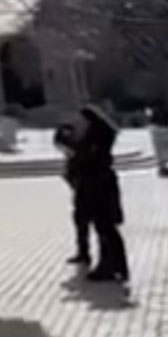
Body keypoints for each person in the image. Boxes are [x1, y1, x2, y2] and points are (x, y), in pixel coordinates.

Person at [74, 105, 130, 283]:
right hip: (99, 184)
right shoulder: (98, 136)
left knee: (105, 227)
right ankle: (116, 265)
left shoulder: (96, 139)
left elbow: (88, 159)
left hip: (98, 186)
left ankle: (109, 265)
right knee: (107, 228)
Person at [54, 123, 91, 266]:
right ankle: (83, 251)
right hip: (80, 191)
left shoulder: (80, 155)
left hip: (87, 189)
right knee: (81, 222)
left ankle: (87, 253)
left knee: (90, 223)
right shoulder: (73, 156)